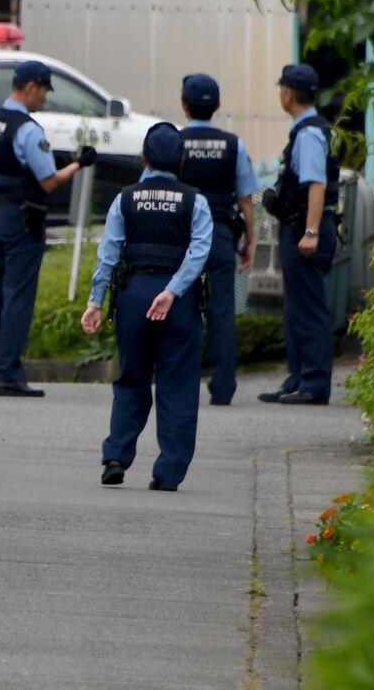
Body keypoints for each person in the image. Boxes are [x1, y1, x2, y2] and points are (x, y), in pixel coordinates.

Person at [82, 123, 213, 491]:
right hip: (178, 302)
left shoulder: (125, 198)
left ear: (144, 158)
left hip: (134, 293)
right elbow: (199, 252)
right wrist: (172, 291)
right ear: (182, 159)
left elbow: (108, 254)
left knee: (131, 378)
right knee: (177, 386)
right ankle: (168, 473)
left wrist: (95, 302)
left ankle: (115, 456)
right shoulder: (195, 201)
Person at [0, 60, 93, 397]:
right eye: (44, 92)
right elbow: (49, 182)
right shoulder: (27, 129)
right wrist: (80, 163)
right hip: (21, 219)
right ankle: (6, 373)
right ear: (31, 87)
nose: (44, 99)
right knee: (17, 296)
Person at [175, 74, 260, 406]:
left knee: (181, 307)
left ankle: (182, 381)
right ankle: (223, 388)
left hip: (180, 237)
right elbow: (246, 200)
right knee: (221, 310)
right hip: (220, 235)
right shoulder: (233, 144)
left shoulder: (174, 142)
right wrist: (249, 242)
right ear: (218, 106)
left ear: (184, 105)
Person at [259, 63, 339, 405]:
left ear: (288, 94)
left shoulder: (308, 134)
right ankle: (297, 378)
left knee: (309, 309)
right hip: (298, 227)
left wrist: (310, 232)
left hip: (306, 230)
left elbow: (316, 184)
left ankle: (314, 384)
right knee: (295, 308)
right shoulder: (307, 130)